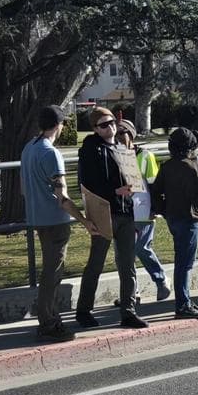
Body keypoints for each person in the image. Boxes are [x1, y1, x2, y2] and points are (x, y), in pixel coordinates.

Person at [21, 106, 99, 342]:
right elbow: (62, 197)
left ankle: (49, 318)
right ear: (59, 126)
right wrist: (84, 220)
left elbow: (24, 188)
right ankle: (48, 322)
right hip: (54, 220)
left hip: (37, 218)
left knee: (49, 271)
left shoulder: (28, 149)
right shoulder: (51, 153)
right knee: (52, 273)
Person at [76, 107, 148, 329]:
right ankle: (83, 310)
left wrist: (131, 187)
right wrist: (115, 191)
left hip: (125, 212)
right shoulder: (90, 150)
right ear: (95, 128)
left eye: (113, 123)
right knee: (96, 264)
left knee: (128, 265)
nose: (111, 128)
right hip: (103, 212)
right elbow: (88, 183)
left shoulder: (121, 148)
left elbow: (133, 180)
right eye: (104, 125)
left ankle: (128, 311)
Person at [150, 128, 198, 319]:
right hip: (188, 219)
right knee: (185, 264)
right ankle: (182, 304)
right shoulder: (191, 167)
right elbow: (197, 199)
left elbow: (155, 192)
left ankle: (185, 299)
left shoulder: (167, 166)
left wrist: (164, 209)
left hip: (173, 218)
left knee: (182, 261)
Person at [115, 120, 171, 302]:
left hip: (143, 210)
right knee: (123, 254)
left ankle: (161, 280)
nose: (120, 138)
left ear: (131, 135)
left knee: (141, 248)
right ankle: (132, 292)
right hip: (122, 211)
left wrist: (155, 209)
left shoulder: (145, 156)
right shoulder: (113, 155)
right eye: (117, 135)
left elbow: (155, 185)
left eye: (124, 134)